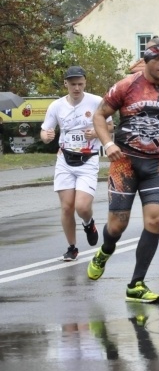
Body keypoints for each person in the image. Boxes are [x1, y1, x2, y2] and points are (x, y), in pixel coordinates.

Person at [87, 38, 159, 303]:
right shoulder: (127, 85)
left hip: (156, 164)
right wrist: (108, 143)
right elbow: (99, 116)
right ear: (146, 61)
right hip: (124, 162)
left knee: (156, 220)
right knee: (117, 225)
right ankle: (105, 250)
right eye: (157, 59)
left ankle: (136, 284)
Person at [40, 65, 108, 261]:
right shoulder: (56, 106)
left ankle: (88, 222)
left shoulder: (96, 102)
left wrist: (96, 132)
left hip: (88, 159)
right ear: (66, 84)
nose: (76, 88)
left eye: (80, 84)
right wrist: (47, 136)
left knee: (82, 207)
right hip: (65, 159)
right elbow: (45, 132)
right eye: (72, 84)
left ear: (85, 82)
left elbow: (110, 125)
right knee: (67, 207)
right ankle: (72, 247)